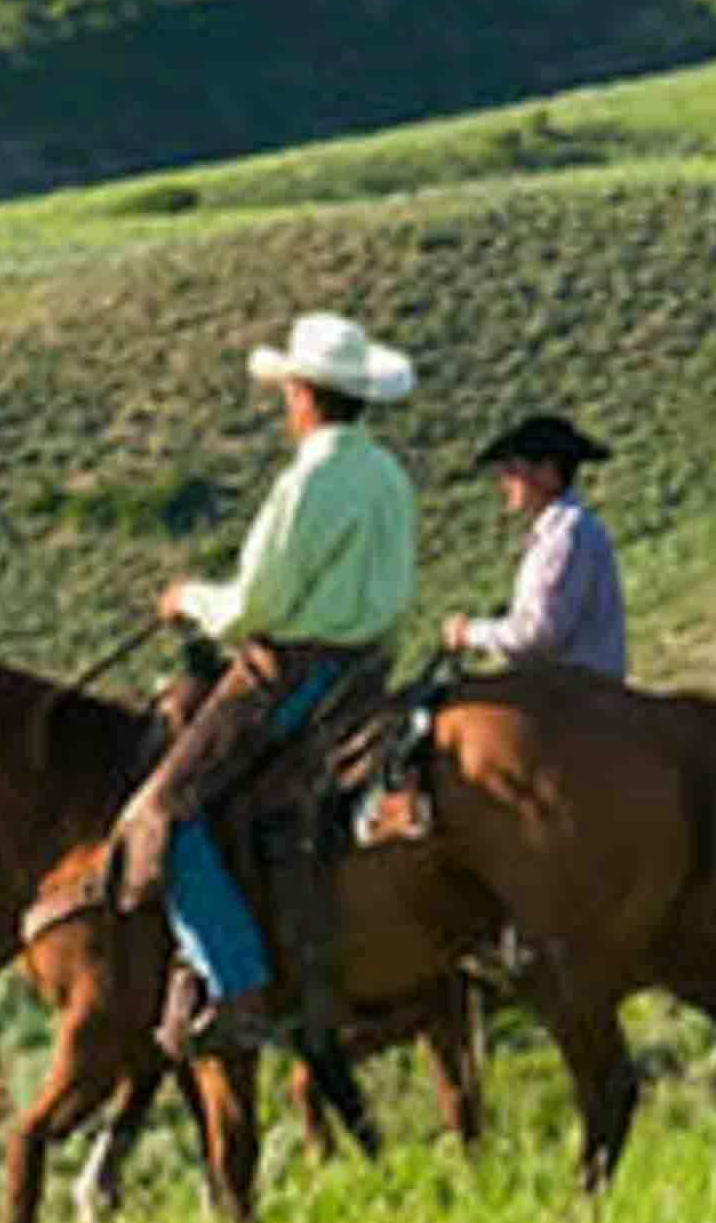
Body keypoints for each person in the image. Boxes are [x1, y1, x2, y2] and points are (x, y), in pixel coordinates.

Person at [120, 312, 420, 1058]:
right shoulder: (386, 472)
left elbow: (257, 605)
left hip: (292, 671)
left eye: (289, 390)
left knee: (163, 810)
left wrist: (189, 599)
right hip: (366, 670)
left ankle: (237, 983)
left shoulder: (310, 478)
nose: (287, 402)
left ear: (305, 395)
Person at [441, 411, 629, 680]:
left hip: (575, 694)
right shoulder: (568, 529)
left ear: (548, 473)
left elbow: (537, 635)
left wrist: (470, 633)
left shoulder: (564, 534)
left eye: (513, 471)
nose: (505, 482)